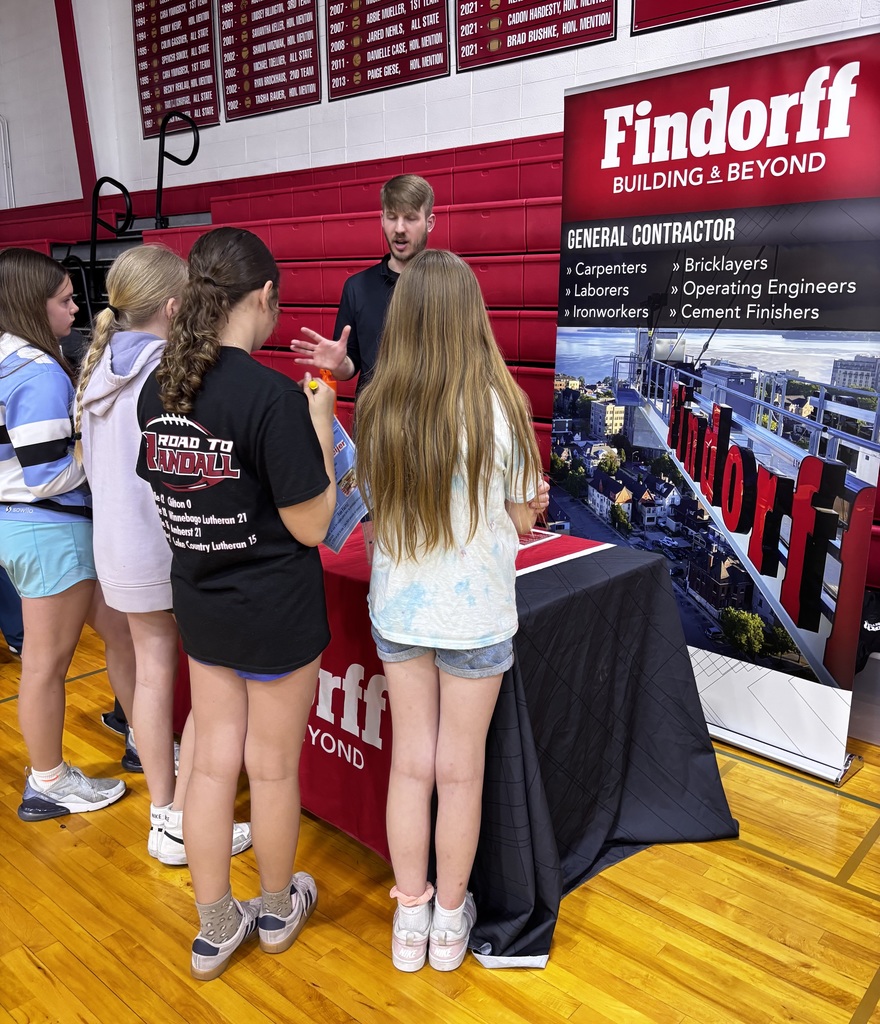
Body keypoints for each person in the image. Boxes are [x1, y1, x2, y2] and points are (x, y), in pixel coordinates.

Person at [136, 227, 336, 981]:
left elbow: (170, 488)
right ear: (263, 299)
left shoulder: (162, 388)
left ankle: (216, 924)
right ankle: (279, 908)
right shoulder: (273, 399)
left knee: (213, 768)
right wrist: (320, 425)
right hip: (275, 608)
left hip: (203, 600)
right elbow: (312, 525)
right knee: (273, 769)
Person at [355, 249, 549, 973]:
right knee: (459, 773)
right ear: (473, 316)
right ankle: (446, 924)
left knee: (412, 767)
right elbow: (522, 523)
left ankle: (411, 915)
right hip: (475, 619)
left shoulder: (378, 405)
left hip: (402, 612)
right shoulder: (503, 406)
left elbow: (370, 509)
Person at [75, 244, 251, 865]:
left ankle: (165, 814)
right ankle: (186, 818)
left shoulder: (97, 367)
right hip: (167, 546)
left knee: (151, 679)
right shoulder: (163, 374)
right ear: (175, 307)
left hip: (118, 548)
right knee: (209, 679)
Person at [0, 247, 137, 821]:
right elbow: (50, 471)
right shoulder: (34, 370)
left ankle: (144, 740)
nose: (76, 307)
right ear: (35, 307)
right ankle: (48, 780)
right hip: (48, 529)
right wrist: (104, 454)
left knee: (128, 634)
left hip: (38, 529)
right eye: (65, 300)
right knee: (47, 664)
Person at [290, 174, 435, 397]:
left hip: (433, 418)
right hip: (374, 421)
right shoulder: (357, 286)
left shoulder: (447, 285)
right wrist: (338, 364)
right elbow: (350, 366)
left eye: (411, 218)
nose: (399, 228)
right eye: (392, 217)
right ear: (381, 219)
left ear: (429, 223)